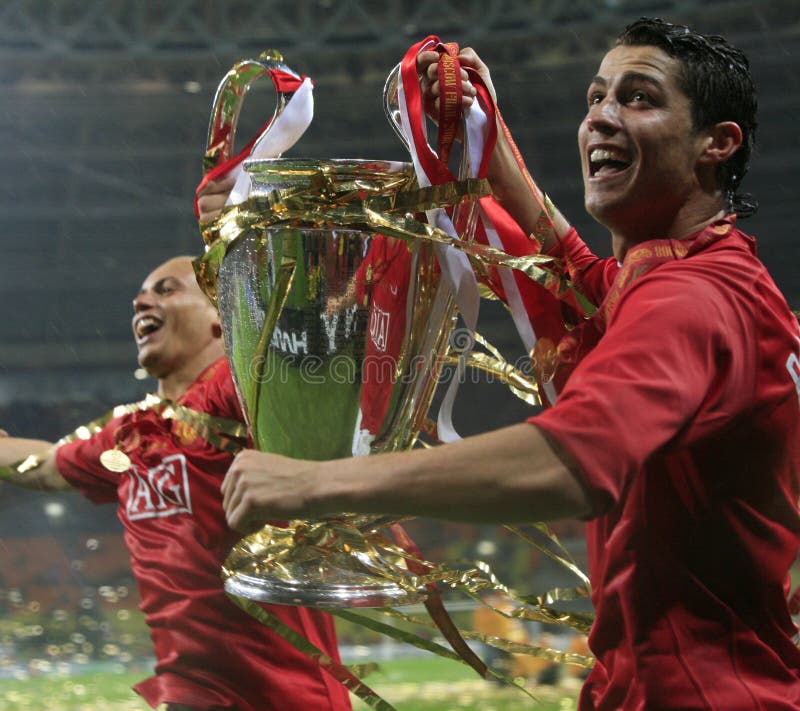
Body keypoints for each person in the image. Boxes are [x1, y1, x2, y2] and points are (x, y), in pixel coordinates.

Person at [219, 18, 800, 709]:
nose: (602, 119)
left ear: (718, 143)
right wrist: (486, 138)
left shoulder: (690, 300)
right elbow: (571, 271)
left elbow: (572, 462)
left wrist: (318, 483)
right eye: (595, 98)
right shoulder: (705, 274)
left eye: (638, 98)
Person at [0, 255, 352, 711]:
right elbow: (46, 465)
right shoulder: (129, 434)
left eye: (167, 290)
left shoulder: (239, 388)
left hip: (286, 694)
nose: (141, 301)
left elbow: (306, 359)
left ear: (221, 321)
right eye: (140, 298)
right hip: (188, 692)